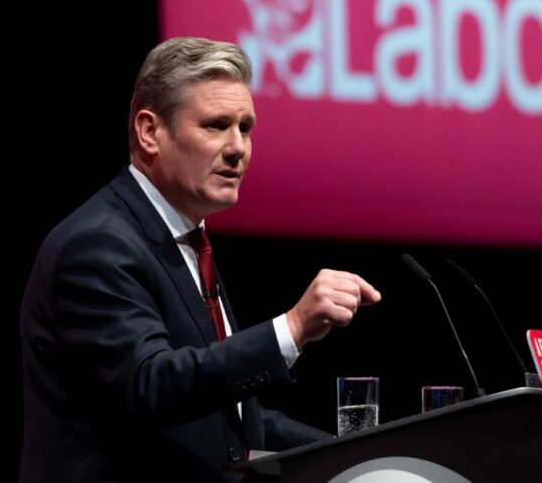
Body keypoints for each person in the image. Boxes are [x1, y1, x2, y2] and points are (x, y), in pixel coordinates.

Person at [19, 36, 382, 482]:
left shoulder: (187, 241)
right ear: (150, 131)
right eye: (215, 125)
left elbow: (232, 424)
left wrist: (365, 454)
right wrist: (292, 328)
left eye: (245, 128)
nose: (238, 148)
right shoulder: (96, 246)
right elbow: (150, 385)